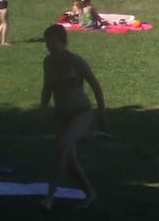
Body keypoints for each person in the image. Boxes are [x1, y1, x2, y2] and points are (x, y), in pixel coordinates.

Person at [39, 24, 107, 211]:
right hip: (61, 115)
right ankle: (90, 194)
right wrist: (43, 108)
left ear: (64, 42)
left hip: (81, 112)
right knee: (69, 161)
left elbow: (96, 87)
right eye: (47, 43)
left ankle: (49, 198)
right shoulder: (48, 62)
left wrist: (102, 114)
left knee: (62, 147)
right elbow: (47, 88)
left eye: (54, 43)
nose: (50, 47)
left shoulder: (76, 62)